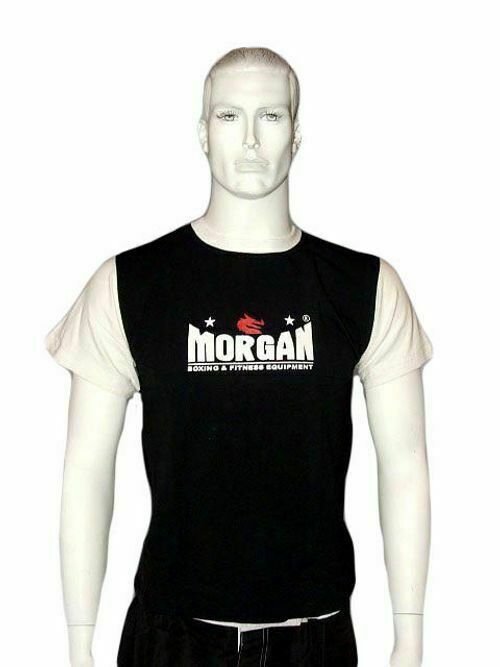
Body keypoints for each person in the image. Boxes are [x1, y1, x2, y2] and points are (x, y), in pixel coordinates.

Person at [46, 47, 433, 666]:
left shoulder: (365, 287)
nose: (251, 139)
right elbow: (86, 471)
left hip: (315, 638)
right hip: (171, 638)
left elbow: (405, 467)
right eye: (229, 116)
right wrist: (78, 640)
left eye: (270, 116)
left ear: (297, 134)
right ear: (202, 132)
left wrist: (409, 635)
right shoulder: (129, 285)